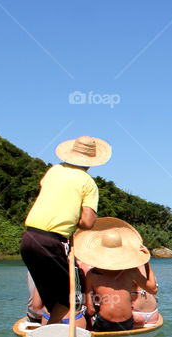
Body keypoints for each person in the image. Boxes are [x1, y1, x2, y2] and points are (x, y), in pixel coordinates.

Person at [20, 135, 110, 324]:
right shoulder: (88, 182)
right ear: (92, 161)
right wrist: (74, 218)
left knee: (52, 301)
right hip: (51, 242)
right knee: (65, 301)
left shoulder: (53, 170)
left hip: (28, 239)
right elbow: (87, 222)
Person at [74, 218, 153, 333]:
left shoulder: (92, 275)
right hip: (127, 322)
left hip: (105, 323)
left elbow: (90, 309)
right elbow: (153, 289)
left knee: (88, 315)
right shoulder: (131, 271)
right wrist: (146, 261)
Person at [131, 257, 160, 327]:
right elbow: (154, 290)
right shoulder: (146, 266)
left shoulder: (128, 269)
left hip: (135, 314)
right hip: (153, 314)